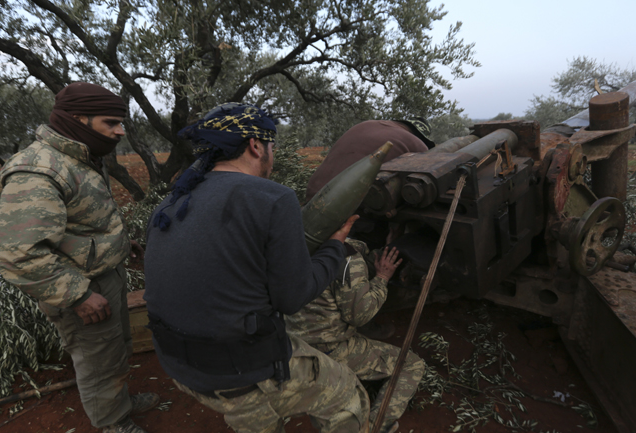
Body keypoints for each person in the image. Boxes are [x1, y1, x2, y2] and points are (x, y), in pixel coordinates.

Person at [143, 103, 370, 433]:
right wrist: (335, 246)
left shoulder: (173, 199)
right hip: (241, 373)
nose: (273, 156)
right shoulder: (273, 197)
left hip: (178, 366)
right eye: (272, 146)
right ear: (255, 145)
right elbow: (292, 298)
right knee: (347, 394)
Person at [0, 82, 158, 433]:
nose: (120, 131)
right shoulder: (38, 171)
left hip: (102, 274)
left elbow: (82, 220)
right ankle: (113, 423)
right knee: (98, 361)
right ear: (78, 119)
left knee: (115, 349)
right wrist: (78, 295)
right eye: (110, 123)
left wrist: (119, 243)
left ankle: (119, 404)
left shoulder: (80, 157)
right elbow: (17, 254)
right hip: (80, 285)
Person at [286, 239, 426, 433]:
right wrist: (382, 278)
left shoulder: (287, 242)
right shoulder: (346, 256)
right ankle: (378, 426)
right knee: (411, 365)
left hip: (292, 349)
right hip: (329, 351)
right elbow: (360, 315)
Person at [305, 117, 435, 201]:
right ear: (421, 137)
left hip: (312, 194)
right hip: (342, 209)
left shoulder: (366, 124)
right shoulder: (418, 144)